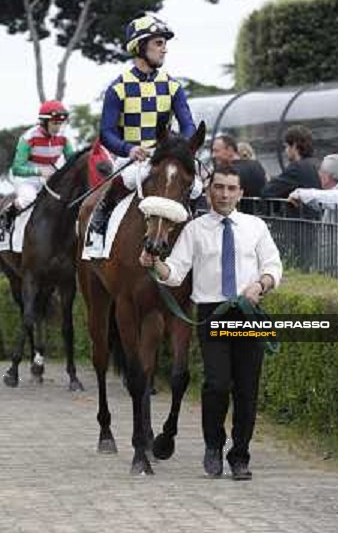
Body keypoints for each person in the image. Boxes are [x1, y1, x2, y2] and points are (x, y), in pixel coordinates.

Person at [139, 165, 282, 480]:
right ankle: (213, 447)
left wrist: (261, 284)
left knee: (247, 388)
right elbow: (175, 272)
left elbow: (273, 265)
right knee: (216, 384)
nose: (225, 194)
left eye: (232, 188)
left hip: (248, 312)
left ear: (241, 193)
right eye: (219, 187)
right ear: (209, 191)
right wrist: (156, 265)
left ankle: (240, 456)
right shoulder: (194, 229)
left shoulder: (256, 226)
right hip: (211, 313)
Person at [87, 12, 200, 255]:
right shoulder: (117, 88)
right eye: (158, 43)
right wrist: (129, 149)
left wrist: (183, 147)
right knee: (126, 180)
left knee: (198, 187)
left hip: (165, 155)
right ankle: (98, 225)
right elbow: (106, 133)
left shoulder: (173, 87)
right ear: (140, 46)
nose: (164, 49)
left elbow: (188, 125)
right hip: (133, 156)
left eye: (165, 44)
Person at [0, 100, 74, 229]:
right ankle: (8, 214)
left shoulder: (63, 138)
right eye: (54, 123)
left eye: (60, 123)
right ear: (44, 122)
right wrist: (39, 171)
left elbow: (72, 161)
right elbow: (17, 168)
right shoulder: (28, 138)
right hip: (26, 178)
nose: (58, 128)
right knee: (29, 199)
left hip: (49, 177)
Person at [288, 154, 338, 226]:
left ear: (326, 177)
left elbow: (330, 198)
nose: (319, 174)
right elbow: (323, 201)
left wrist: (299, 194)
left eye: (321, 172)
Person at [260, 125, 321, 217]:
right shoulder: (317, 164)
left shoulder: (297, 168)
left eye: (287, 146)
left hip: (301, 224)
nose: (286, 151)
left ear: (295, 146)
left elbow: (268, 191)